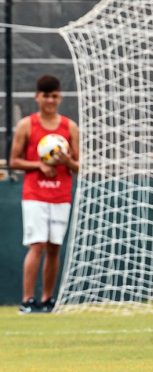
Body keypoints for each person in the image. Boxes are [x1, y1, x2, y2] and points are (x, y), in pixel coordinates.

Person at [9, 75, 79, 314]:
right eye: (46, 95)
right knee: (36, 245)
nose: (50, 100)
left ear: (59, 98)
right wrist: (39, 165)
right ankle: (28, 300)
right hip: (35, 194)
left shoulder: (69, 127)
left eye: (55, 96)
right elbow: (14, 161)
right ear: (37, 97)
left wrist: (66, 159)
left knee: (54, 247)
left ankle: (48, 300)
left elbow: (79, 166)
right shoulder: (27, 125)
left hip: (61, 194)